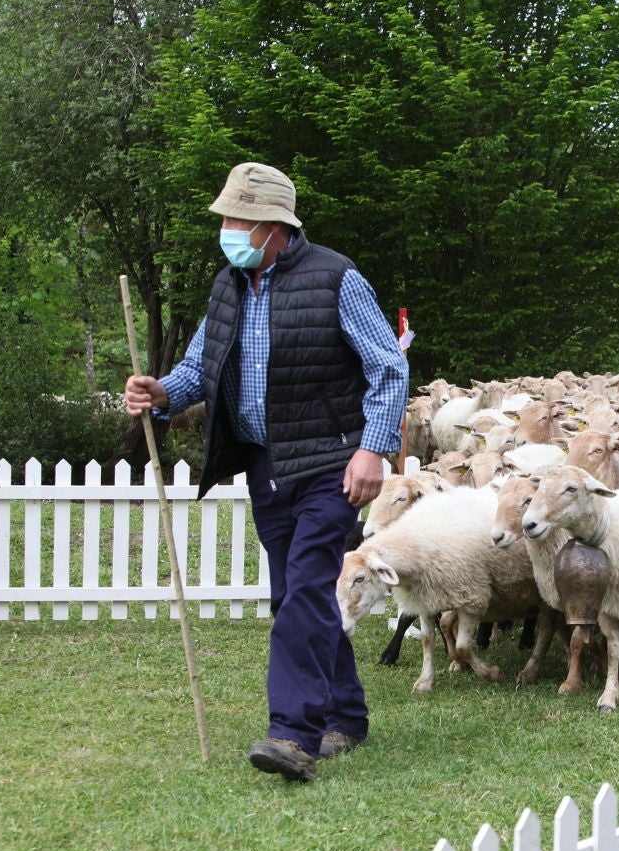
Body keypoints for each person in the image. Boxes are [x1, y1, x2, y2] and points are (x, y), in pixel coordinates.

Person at [124, 163, 408, 782]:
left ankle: (293, 734)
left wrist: (372, 448)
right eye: (225, 218)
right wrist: (161, 392)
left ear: (272, 227)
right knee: (293, 593)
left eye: (236, 220)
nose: (225, 230)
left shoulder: (336, 278)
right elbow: (203, 364)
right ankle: (347, 715)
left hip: (331, 463)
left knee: (306, 591)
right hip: (267, 467)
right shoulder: (228, 285)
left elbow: (389, 366)